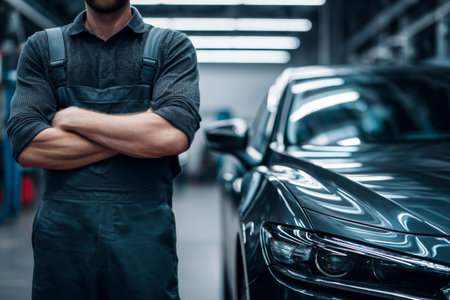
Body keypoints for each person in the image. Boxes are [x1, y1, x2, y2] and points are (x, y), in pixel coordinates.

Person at [7, 0, 201, 299]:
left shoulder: (171, 46)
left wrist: (74, 117)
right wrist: (137, 136)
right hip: (62, 241)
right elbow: (28, 145)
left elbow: (172, 137)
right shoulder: (42, 47)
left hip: (143, 237)